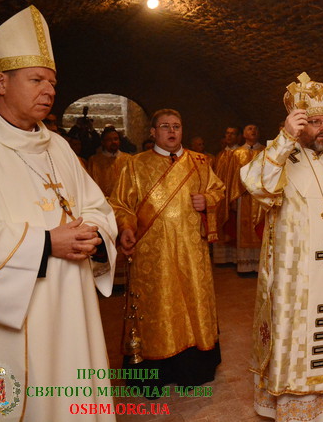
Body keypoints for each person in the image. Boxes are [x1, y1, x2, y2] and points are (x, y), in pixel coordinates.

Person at [0, 5, 117, 421]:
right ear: (1, 82)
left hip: (74, 302)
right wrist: (46, 243)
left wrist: (95, 235)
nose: (49, 91)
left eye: (52, 82)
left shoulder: (56, 145)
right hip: (16, 317)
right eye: (36, 80)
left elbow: (96, 206)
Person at [241, 72, 323, 422]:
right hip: (294, 278)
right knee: (295, 333)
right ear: (298, 126)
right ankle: (292, 403)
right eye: (313, 122)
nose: (322, 129)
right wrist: (284, 138)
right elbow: (256, 183)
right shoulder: (281, 160)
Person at [109, 108, 225, 392]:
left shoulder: (200, 161)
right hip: (153, 254)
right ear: (153, 132)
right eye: (165, 126)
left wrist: (208, 200)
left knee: (192, 303)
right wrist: (126, 227)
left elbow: (218, 189)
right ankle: (155, 372)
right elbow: (120, 204)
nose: (172, 131)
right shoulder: (135, 164)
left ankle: (194, 368)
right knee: (158, 307)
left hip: (191, 251)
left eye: (176, 126)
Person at [227, 123, 265, 273]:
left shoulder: (265, 151)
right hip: (244, 198)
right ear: (243, 134)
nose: (253, 131)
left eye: (256, 129)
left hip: (261, 199)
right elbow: (233, 176)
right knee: (244, 229)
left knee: (260, 228)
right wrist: (233, 198)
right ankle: (245, 266)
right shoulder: (237, 153)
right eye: (249, 129)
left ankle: (259, 266)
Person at [212, 126, 241, 264]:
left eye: (232, 134)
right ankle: (223, 259)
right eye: (227, 134)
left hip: (234, 195)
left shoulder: (240, 153)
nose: (229, 136)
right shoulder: (220, 155)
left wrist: (234, 196)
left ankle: (235, 258)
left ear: (238, 137)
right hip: (221, 197)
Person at [87, 126, 131, 197]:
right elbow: (90, 183)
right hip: (102, 200)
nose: (113, 142)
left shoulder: (128, 159)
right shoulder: (94, 160)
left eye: (116, 139)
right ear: (103, 142)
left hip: (124, 200)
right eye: (109, 140)